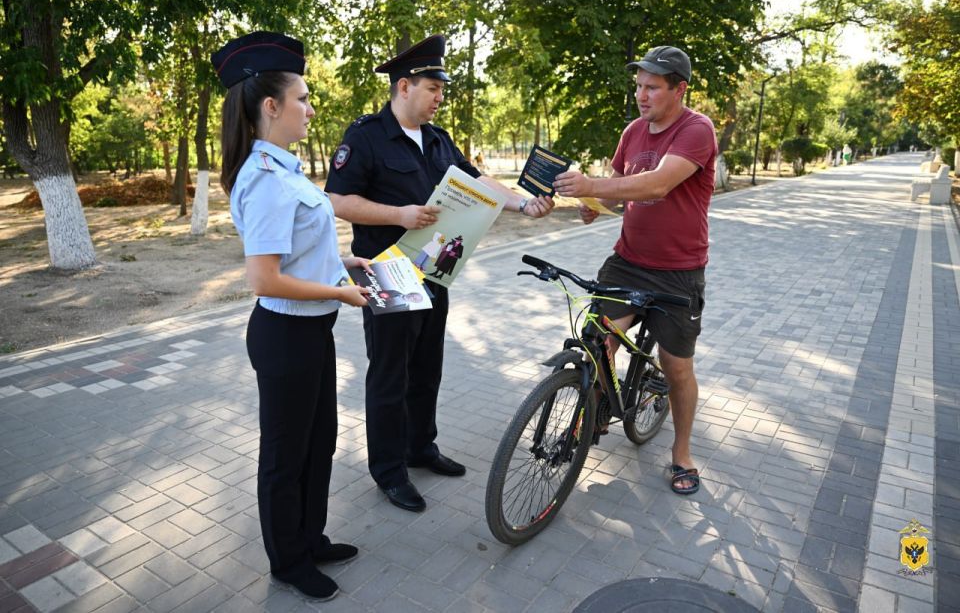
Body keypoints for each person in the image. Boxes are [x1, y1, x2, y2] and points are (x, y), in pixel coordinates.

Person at [326, 34, 554, 512]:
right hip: (386, 270)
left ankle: (419, 448)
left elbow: (477, 182)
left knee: (427, 367)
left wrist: (523, 203)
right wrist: (400, 215)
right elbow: (337, 200)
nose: (439, 98)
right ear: (404, 86)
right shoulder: (365, 136)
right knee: (390, 375)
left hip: (433, 271)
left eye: (441, 90)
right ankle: (388, 470)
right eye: (433, 88)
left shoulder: (437, 139)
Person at [211, 31, 370, 600]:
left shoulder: (287, 170)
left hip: (310, 331)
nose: (310, 107)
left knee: (318, 440)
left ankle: (310, 536)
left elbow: (300, 251)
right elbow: (264, 279)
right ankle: (288, 561)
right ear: (271, 106)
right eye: (302, 98)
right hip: (285, 335)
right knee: (285, 454)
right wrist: (345, 294)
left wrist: (346, 263)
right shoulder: (267, 180)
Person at [553, 45, 717, 496]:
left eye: (652, 87)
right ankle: (598, 409)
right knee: (596, 343)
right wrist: (593, 203)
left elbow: (659, 182)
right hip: (627, 261)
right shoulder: (633, 131)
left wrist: (594, 185)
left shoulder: (696, 129)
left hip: (677, 271)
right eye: (638, 86)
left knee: (675, 366)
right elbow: (617, 191)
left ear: (678, 89)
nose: (642, 95)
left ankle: (682, 454)